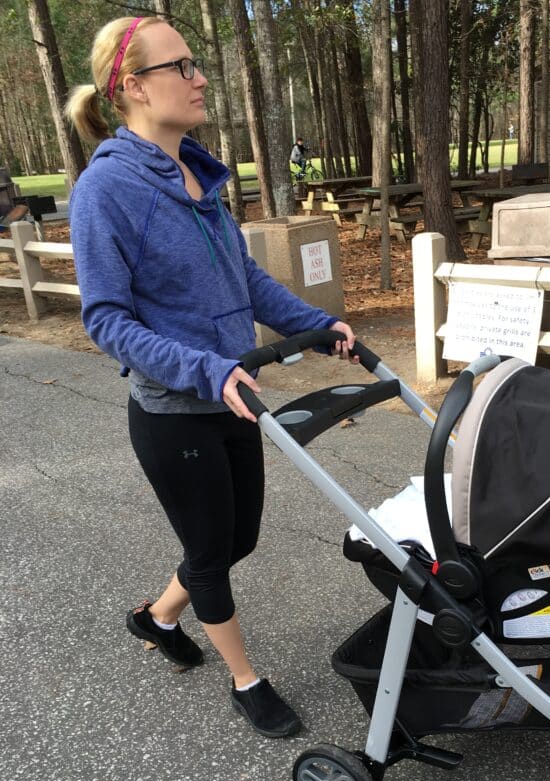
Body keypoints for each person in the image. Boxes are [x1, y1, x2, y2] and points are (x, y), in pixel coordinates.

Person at [66, 16, 356, 739]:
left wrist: (314, 326)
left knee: (238, 539)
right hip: (174, 412)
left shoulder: (199, 170)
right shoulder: (107, 191)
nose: (199, 78)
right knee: (210, 554)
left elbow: (245, 278)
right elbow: (105, 318)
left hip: (236, 395)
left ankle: (156, 616)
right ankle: (245, 680)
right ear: (133, 87)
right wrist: (204, 366)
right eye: (181, 66)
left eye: (196, 63)